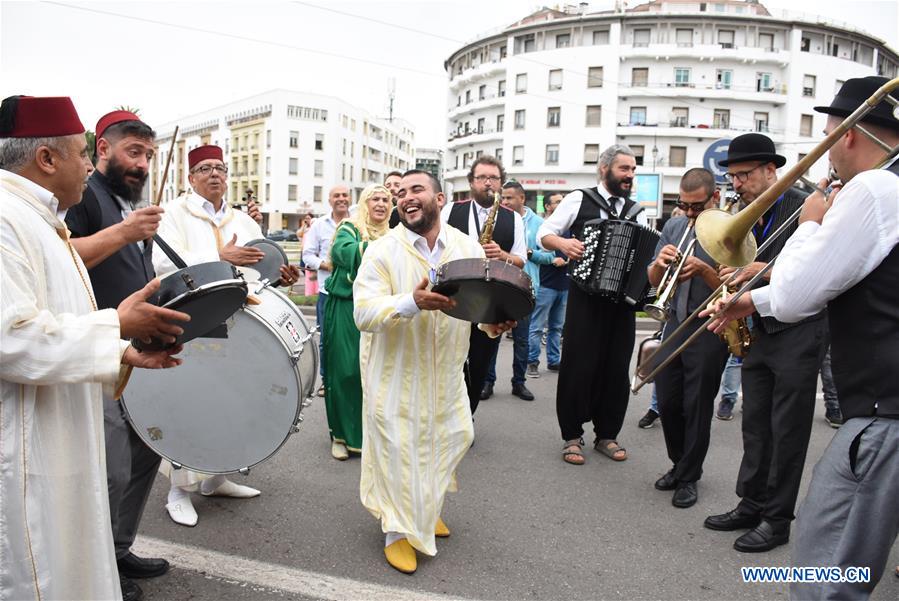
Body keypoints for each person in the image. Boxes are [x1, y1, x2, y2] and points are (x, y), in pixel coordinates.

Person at [704, 75, 898, 600]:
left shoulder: (875, 187)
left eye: (829, 138)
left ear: (849, 137)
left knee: (828, 563)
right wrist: (751, 299)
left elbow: (797, 293)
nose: (828, 154)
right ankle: (754, 502)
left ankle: (776, 517)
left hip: (882, 409)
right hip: (877, 399)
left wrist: (811, 223)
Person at [0, 94, 185, 601]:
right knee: (39, 570)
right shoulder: (5, 219)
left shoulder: (40, 219)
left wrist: (123, 349)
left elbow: (56, 315)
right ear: (46, 158)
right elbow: (10, 336)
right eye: (82, 152)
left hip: (65, 413)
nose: (88, 163)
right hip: (30, 441)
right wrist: (115, 327)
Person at [353, 169, 514, 574]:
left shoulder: (465, 247)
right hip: (394, 376)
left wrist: (493, 324)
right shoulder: (381, 251)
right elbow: (363, 312)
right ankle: (396, 530)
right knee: (398, 451)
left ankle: (423, 512)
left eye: (417, 189)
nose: (406, 197)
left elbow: (477, 309)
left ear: (439, 199)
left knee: (453, 437)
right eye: (401, 192)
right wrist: (411, 301)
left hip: (445, 373)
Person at [152, 144, 299, 527]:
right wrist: (220, 257)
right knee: (190, 401)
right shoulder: (172, 214)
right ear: (190, 177)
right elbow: (163, 262)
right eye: (205, 168)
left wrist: (280, 273)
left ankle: (216, 478)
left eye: (220, 167)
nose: (214, 173)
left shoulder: (243, 221)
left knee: (234, 399)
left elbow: (260, 263)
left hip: (241, 320)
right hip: (195, 318)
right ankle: (178, 491)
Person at [702, 133, 827, 553]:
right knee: (755, 424)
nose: (736, 184)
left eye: (744, 175)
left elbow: (819, 264)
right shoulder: (744, 213)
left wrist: (766, 268)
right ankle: (750, 502)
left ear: (771, 171)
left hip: (799, 328)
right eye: (733, 176)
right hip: (759, 328)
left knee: (787, 430)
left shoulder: (804, 206)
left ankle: (777, 520)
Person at [64, 110, 171, 601]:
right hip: (99, 348)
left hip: (135, 352)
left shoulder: (127, 201)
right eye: (133, 152)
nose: (143, 164)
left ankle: (119, 547)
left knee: (147, 450)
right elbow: (66, 258)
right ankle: (98, 566)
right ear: (102, 150)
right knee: (110, 468)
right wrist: (125, 233)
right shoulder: (85, 195)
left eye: (148, 155)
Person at [537, 144, 648, 465]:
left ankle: (607, 434)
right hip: (585, 296)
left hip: (622, 302)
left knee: (616, 369)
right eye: (624, 169)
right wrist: (563, 243)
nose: (630, 175)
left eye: (633, 170)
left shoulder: (635, 210)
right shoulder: (579, 198)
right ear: (604, 169)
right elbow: (544, 232)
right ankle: (572, 435)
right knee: (578, 365)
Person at [647, 168, 730, 508]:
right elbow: (652, 277)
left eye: (697, 206)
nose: (690, 213)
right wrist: (660, 263)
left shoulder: (730, 232)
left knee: (696, 406)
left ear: (715, 198)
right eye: (684, 205)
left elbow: (734, 290)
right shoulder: (674, 225)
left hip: (708, 327)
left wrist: (705, 270)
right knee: (666, 401)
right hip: (673, 322)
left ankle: (689, 476)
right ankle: (679, 462)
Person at [441, 156, 526, 410]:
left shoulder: (514, 219)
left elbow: (520, 259)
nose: (488, 183)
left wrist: (502, 255)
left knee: (479, 363)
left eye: (494, 178)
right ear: (471, 182)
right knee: (447, 361)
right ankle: (447, 414)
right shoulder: (450, 210)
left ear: (500, 184)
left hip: (490, 301)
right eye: (482, 178)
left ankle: (468, 414)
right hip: (456, 293)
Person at [323, 184, 391, 460]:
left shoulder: (393, 233)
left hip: (380, 309)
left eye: (386, 200)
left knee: (376, 374)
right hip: (346, 306)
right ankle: (339, 436)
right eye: (375, 199)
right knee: (346, 371)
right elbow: (343, 253)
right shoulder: (350, 228)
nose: (381, 204)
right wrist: (387, 251)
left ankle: (369, 435)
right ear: (365, 203)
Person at [483, 180, 553, 400]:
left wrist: (529, 254)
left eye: (509, 198)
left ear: (522, 198)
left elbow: (550, 257)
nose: (504, 202)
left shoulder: (539, 223)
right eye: (502, 198)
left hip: (524, 288)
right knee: (491, 336)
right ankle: (488, 382)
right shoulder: (495, 219)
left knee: (522, 339)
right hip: (497, 286)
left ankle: (519, 383)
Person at [303, 185, 351, 396]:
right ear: (329, 200)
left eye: (345, 195)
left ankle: (351, 380)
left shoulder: (358, 222)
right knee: (328, 340)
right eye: (336, 196)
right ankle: (327, 380)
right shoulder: (319, 226)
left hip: (354, 293)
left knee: (353, 340)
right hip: (328, 293)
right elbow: (308, 256)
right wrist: (327, 265)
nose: (341, 199)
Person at [527, 192, 569, 378]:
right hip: (545, 284)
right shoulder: (543, 228)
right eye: (558, 202)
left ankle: (554, 361)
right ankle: (532, 362)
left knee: (556, 328)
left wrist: (566, 260)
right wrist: (552, 260)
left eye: (563, 201)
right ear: (548, 207)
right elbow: (530, 254)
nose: (562, 204)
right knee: (537, 327)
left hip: (564, 285)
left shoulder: (569, 226)